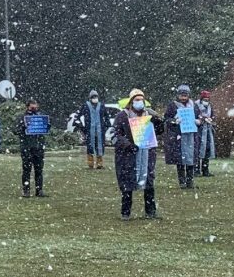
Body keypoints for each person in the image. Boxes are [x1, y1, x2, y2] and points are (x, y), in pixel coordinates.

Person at [112, 88, 164, 221]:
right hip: (128, 156)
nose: (139, 102)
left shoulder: (149, 115)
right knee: (128, 184)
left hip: (147, 154)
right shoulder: (122, 116)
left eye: (141, 100)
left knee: (149, 182)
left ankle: (150, 211)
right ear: (131, 102)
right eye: (136, 100)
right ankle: (126, 213)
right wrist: (128, 145)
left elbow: (158, 131)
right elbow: (115, 135)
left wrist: (159, 122)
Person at [164, 85, 200, 190]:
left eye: (185, 95)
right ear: (178, 95)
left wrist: (199, 121)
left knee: (191, 159)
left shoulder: (193, 105)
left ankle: (190, 181)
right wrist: (174, 121)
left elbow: (199, 117)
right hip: (179, 136)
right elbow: (166, 118)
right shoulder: (173, 105)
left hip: (191, 136)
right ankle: (182, 182)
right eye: (181, 95)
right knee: (180, 160)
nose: (183, 98)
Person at [14, 99, 48, 198]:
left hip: (38, 147)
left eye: (35, 104)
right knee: (26, 170)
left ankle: (39, 190)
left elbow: (45, 128)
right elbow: (15, 130)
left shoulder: (41, 116)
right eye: (32, 105)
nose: (34, 107)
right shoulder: (22, 117)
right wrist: (23, 127)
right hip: (27, 147)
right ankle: (26, 190)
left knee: (39, 169)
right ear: (27, 106)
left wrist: (47, 126)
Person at [76, 90, 109, 170]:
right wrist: (82, 127)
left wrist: (105, 126)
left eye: (96, 97)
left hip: (99, 130)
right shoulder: (85, 106)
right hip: (89, 130)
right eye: (93, 97)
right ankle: (90, 164)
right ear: (90, 98)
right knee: (90, 147)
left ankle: (99, 164)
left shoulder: (101, 106)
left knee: (100, 147)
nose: (95, 98)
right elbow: (79, 117)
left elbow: (106, 117)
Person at [196, 90, 217, 177]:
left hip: (207, 130)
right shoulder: (196, 105)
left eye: (207, 99)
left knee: (207, 149)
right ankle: (196, 170)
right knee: (197, 149)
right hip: (199, 130)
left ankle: (205, 170)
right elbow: (194, 116)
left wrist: (211, 119)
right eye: (205, 99)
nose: (206, 101)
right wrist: (201, 119)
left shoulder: (210, 106)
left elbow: (212, 115)